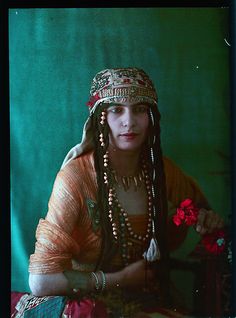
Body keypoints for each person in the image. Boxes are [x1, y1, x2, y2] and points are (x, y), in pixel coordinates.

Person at [23, 68, 224, 317]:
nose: (129, 122)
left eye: (139, 109)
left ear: (151, 117)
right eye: (116, 110)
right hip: (88, 304)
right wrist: (118, 279)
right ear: (100, 118)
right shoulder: (76, 178)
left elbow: (205, 217)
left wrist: (206, 222)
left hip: (147, 300)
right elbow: (40, 281)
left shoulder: (160, 171)